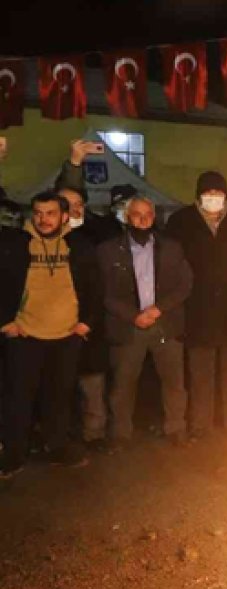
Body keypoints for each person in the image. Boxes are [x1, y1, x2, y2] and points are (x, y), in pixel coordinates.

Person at [0, 192, 101, 476]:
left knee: (58, 397)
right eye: (39, 213)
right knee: (18, 398)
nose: (44, 219)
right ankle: (15, 453)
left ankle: (56, 446)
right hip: (25, 335)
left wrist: (85, 324)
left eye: (51, 213)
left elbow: (94, 286)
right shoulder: (16, 243)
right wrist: (5, 321)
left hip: (66, 336)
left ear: (65, 216)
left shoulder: (79, 245)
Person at [164, 171, 227, 436]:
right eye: (208, 194)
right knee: (200, 374)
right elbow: (172, 263)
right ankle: (201, 425)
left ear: (226, 196)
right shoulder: (181, 221)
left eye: (218, 193)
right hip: (197, 309)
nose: (213, 198)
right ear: (198, 196)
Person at [99, 197, 192, 446]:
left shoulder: (172, 247)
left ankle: (176, 428)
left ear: (154, 217)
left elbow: (185, 284)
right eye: (137, 214)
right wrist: (133, 315)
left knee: (174, 382)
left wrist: (159, 309)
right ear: (127, 217)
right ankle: (120, 433)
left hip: (165, 323)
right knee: (123, 384)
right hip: (128, 326)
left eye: (148, 214)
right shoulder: (108, 250)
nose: (142, 219)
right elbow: (103, 292)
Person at [55, 140, 122, 451]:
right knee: (58, 386)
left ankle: (94, 434)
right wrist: (75, 163)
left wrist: (90, 320)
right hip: (52, 325)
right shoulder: (41, 236)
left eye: (80, 206)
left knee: (93, 381)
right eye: (67, 208)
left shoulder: (97, 232)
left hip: (89, 324)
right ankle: (57, 436)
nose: (75, 211)